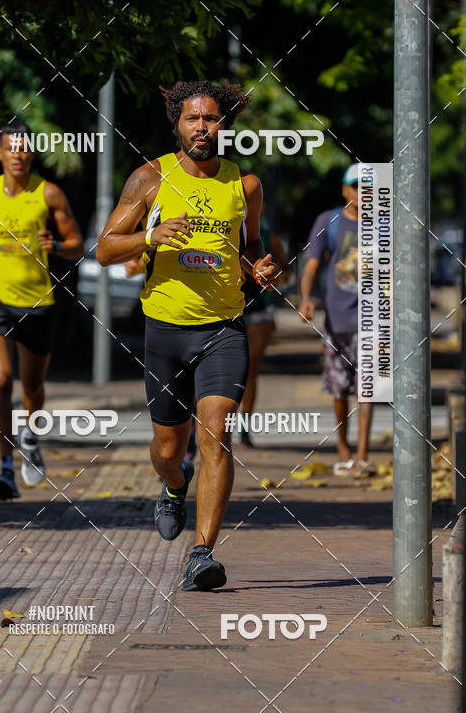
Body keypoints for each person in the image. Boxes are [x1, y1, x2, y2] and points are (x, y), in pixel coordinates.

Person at [97, 80, 279, 591]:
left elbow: (250, 247)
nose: (203, 127)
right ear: (177, 124)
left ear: (226, 124)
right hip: (166, 329)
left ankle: (202, 553)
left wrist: (258, 268)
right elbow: (106, 249)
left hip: (224, 326)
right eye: (193, 119)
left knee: (216, 431)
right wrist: (150, 235)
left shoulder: (245, 186)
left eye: (212, 119)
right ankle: (174, 486)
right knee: (167, 448)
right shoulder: (150, 178)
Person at [0, 124, 84, 500]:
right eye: (11, 149)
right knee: (2, 380)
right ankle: (5, 468)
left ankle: (31, 438)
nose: (18, 155)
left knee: (32, 387)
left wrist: (56, 244)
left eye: (24, 149)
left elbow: (77, 246)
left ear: (31, 155)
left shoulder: (48, 193)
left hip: (37, 302)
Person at [298, 164, 374, 476]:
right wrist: (306, 299)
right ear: (345, 190)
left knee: (368, 388)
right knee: (339, 390)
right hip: (336, 320)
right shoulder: (328, 222)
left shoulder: (382, 225)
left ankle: (363, 454)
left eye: (368, 187)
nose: (361, 192)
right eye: (356, 186)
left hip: (371, 320)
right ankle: (343, 447)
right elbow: (311, 266)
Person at [239, 215, 288, 447]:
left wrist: (274, 272)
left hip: (258, 310)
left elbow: (283, 267)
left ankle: (244, 429)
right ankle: (197, 429)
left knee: (249, 369)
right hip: (222, 309)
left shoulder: (267, 234)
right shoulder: (213, 222)